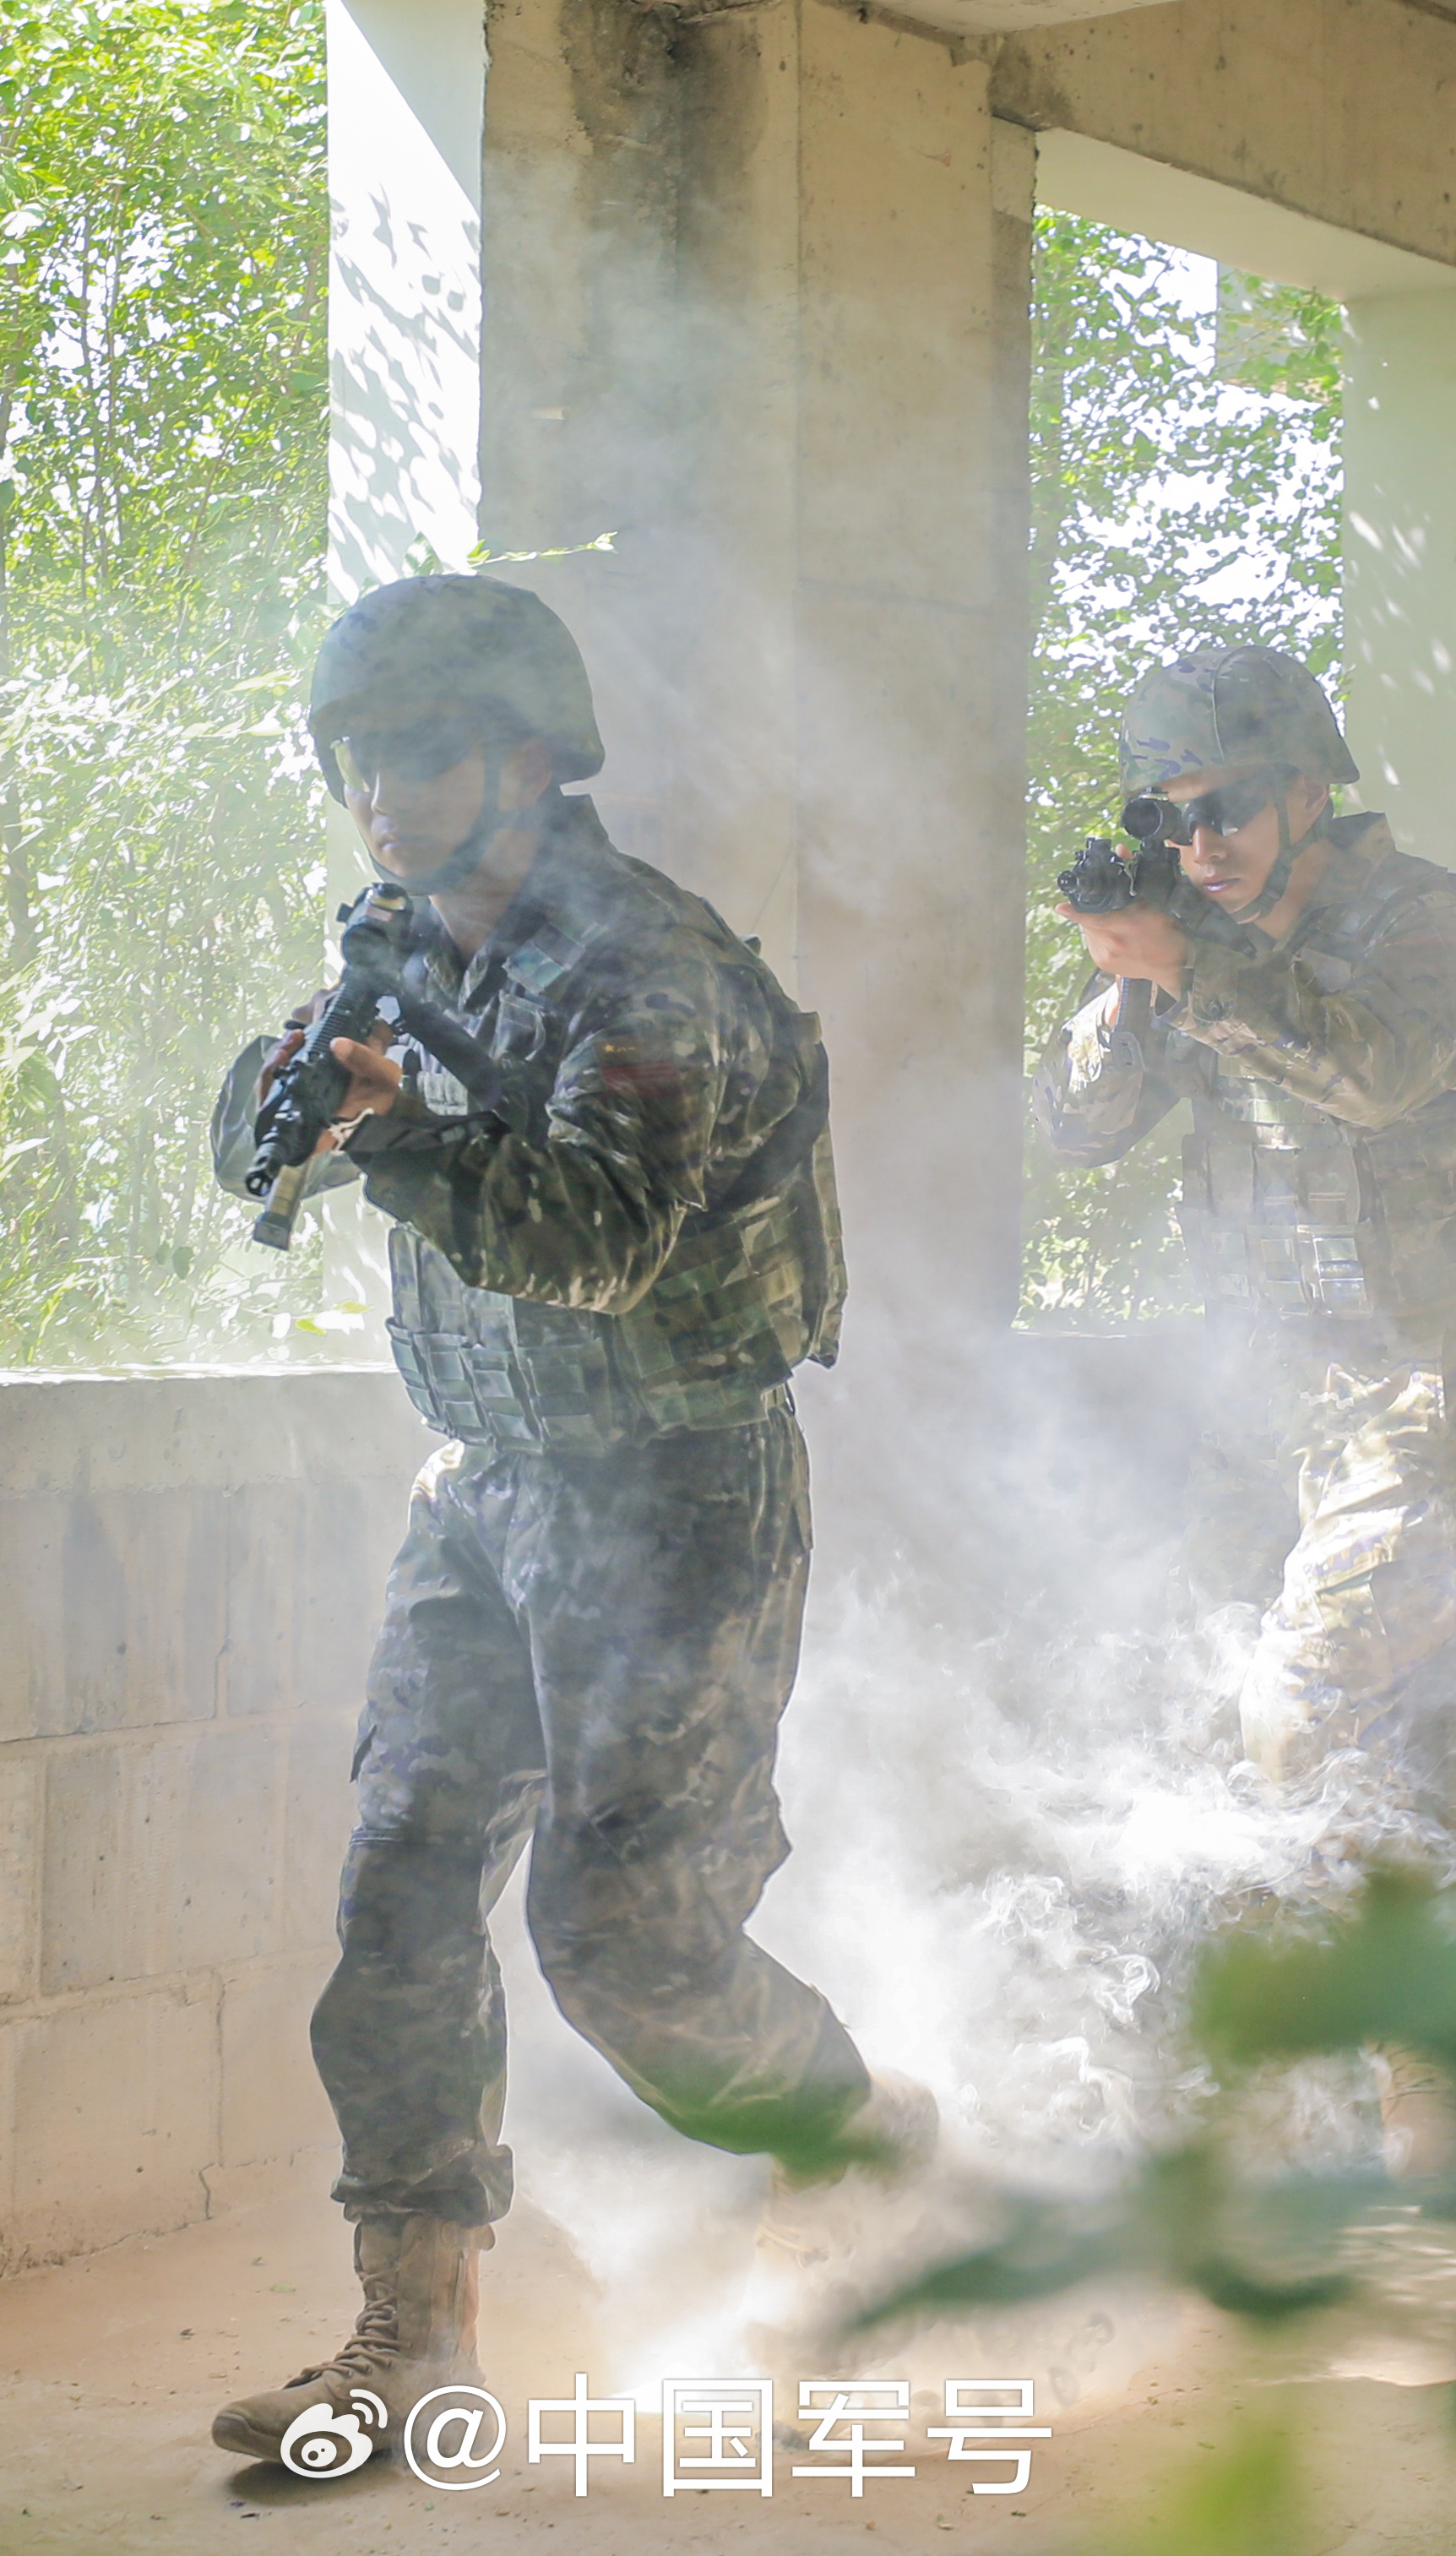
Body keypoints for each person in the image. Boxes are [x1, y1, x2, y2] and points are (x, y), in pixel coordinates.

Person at [204, 574, 924, 2464]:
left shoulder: (638, 964)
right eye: (351, 756)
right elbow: (258, 1137)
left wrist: (394, 1138)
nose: (376, 789)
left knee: (625, 1938)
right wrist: (286, 1104)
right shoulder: (392, 945)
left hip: (673, 1484)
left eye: (418, 751)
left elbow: (597, 1244)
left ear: (529, 756)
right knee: (399, 1888)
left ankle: (841, 2129)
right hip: (486, 1483)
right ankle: (411, 2333)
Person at [1030, 647, 1456, 2176]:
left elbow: (1370, 1073)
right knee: (1199, 1721)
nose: (1201, 841)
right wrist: (1132, 982)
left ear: (1311, 788)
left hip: (1418, 1383)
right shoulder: (1197, 946)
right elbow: (1071, 1130)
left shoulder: (1421, 928)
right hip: (1259, 1396)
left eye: (1230, 803)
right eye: (1171, 815)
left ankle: (1412, 2071)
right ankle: (1311, 2092)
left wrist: (1190, 968)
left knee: (1305, 1716)